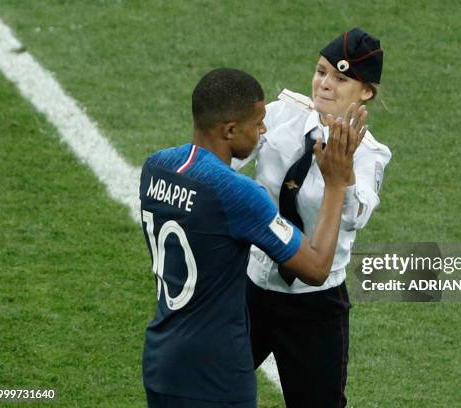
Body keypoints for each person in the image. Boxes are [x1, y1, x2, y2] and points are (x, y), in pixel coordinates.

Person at [139, 68, 368, 407]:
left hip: (162, 360)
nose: (264, 131)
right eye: (258, 123)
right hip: (217, 376)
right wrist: (335, 183)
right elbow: (317, 267)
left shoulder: (156, 166)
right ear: (230, 130)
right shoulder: (238, 195)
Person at [232, 28, 392, 407]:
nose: (324, 84)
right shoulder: (281, 113)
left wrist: (344, 177)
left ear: (365, 91)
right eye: (321, 72)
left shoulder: (370, 154)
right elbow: (230, 155)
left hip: (315, 306)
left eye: (340, 78)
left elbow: (357, 216)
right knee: (204, 388)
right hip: (251, 289)